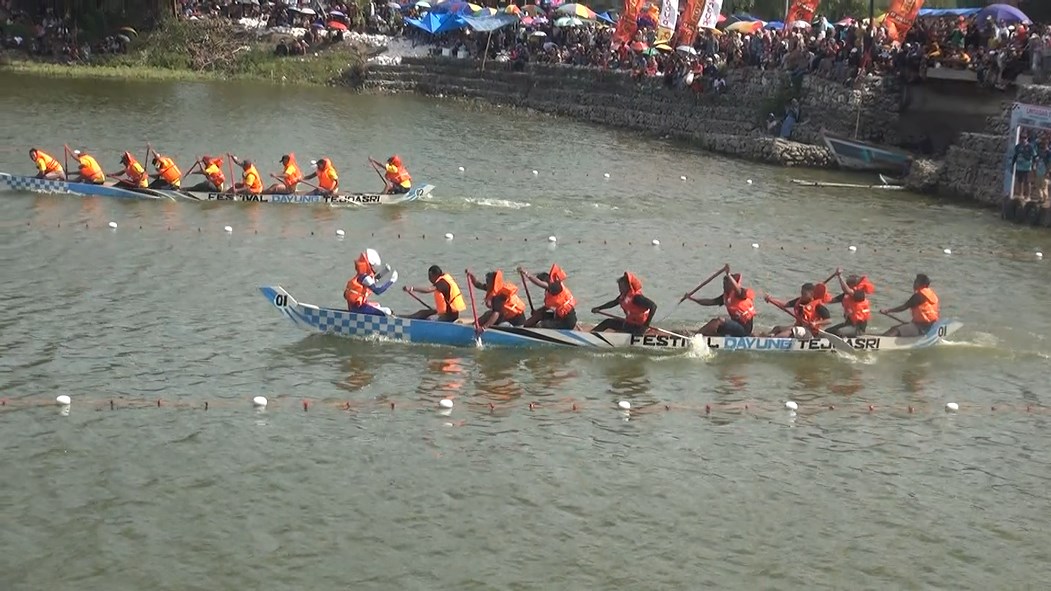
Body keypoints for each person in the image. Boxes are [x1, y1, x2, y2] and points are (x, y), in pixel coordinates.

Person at [687, 267, 757, 337]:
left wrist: (728, 275)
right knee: (715, 325)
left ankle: (695, 337)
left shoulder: (741, 293)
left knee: (718, 321)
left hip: (744, 329)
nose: (724, 286)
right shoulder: (725, 296)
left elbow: (738, 290)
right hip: (735, 326)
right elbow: (710, 302)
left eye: (726, 284)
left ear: (731, 285)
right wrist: (692, 299)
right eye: (723, 284)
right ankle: (702, 335)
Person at [591, 272, 657, 335]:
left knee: (622, 332)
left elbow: (653, 306)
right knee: (608, 322)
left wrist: (646, 324)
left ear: (628, 286)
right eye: (619, 287)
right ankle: (591, 335)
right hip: (629, 323)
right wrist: (599, 308)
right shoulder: (623, 296)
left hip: (639, 327)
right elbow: (613, 303)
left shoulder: (637, 298)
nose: (620, 289)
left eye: (622, 287)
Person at [518, 264, 578, 329]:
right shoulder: (549, 291)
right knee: (539, 315)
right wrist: (536, 312)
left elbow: (539, 283)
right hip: (558, 317)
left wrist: (526, 273)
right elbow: (547, 307)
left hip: (567, 322)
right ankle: (525, 327)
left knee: (540, 325)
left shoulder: (556, 286)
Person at [765, 283, 831, 338]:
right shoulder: (799, 300)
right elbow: (785, 305)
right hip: (799, 327)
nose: (802, 296)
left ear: (812, 294)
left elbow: (829, 321)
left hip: (810, 332)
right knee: (777, 328)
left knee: (789, 331)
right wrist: (771, 299)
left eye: (804, 294)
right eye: (801, 293)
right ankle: (767, 337)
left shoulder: (818, 306)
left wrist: (816, 323)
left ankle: (773, 340)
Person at [343, 248, 398, 316]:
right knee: (387, 311)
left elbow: (374, 280)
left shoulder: (362, 277)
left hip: (356, 306)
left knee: (377, 305)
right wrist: (392, 281)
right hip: (358, 308)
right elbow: (378, 291)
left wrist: (384, 272)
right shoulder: (365, 278)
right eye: (373, 266)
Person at [827, 269, 875, 337]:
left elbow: (847, 290)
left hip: (858, 328)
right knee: (828, 331)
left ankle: (846, 340)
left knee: (839, 332)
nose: (847, 285)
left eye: (848, 284)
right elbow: (830, 301)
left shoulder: (859, 294)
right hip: (847, 325)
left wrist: (840, 276)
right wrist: (818, 297)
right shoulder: (845, 296)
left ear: (854, 285)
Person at [1012, 132, 1036, 200]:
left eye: (1025, 137)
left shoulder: (1030, 147)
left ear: (1027, 138)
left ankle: (1028, 196)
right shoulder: (1017, 146)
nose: (1023, 139)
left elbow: (1034, 156)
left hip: (1027, 167)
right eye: (1022, 137)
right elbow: (1015, 156)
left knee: (1027, 182)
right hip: (1019, 167)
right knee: (1020, 181)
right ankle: (1021, 194)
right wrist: (1012, 165)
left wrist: (1034, 165)